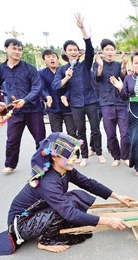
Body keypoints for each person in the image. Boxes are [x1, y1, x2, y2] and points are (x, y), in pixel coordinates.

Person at [0, 132, 133, 256]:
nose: (75, 160)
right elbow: (69, 213)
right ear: (55, 157)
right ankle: (46, 242)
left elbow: (89, 183)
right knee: (64, 209)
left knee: (76, 196)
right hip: (21, 224)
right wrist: (108, 221)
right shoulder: (48, 182)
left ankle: (54, 230)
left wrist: (117, 196)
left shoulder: (64, 168)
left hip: (36, 214)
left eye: (75, 155)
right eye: (71, 156)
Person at [52, 13, 105, 167]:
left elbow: (90, 49)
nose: (73, 52)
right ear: (65, 52)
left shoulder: (85, 64)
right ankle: (85, 155)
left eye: (75, 49)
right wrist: (66, 78)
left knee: (95, 128)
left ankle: (99, 152)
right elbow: (56, 86)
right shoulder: (62, 69)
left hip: (91, 101)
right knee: (80, 131)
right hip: (75, 104)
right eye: (70, 50)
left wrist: (83, 30)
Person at [0, 38, 46, 174]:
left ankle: (43, 165)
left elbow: (37, 87)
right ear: (6, 49)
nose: (17, 52)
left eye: (19, 49)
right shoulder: (1, 69)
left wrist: (25, 100)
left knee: (40, 140)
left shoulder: (29, 68)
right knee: (12, 140)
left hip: (33, 110)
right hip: (14, 112)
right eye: (14, 48)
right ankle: (10, 165)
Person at [93, 39, 129, 167]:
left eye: (112, 50)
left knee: (125, 132)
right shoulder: (97, 64)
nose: (109, 52)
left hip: (121, 102)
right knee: (111, 133)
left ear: (115, 51)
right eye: (107, 50)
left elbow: (124, 78)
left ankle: (126, 156)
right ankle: (116, 156)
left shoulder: (118, 65)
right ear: (103, 51)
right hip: (106, 103)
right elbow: (97, 78)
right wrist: (100, 65)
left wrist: (124, 65)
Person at [39, 49, 77, 138]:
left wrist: (66, 96)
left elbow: (72, 87)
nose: (52, 59)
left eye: (54, 57)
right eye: (48, 57)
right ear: (44, 60)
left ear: (58, 59)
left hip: (68, 107)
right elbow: (42, 88)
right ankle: (58, 152)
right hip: (52, 108)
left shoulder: (65, 70)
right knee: (56, 135)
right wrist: (47, 96)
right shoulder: (41, 73)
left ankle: (75, 152)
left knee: (72, 133)